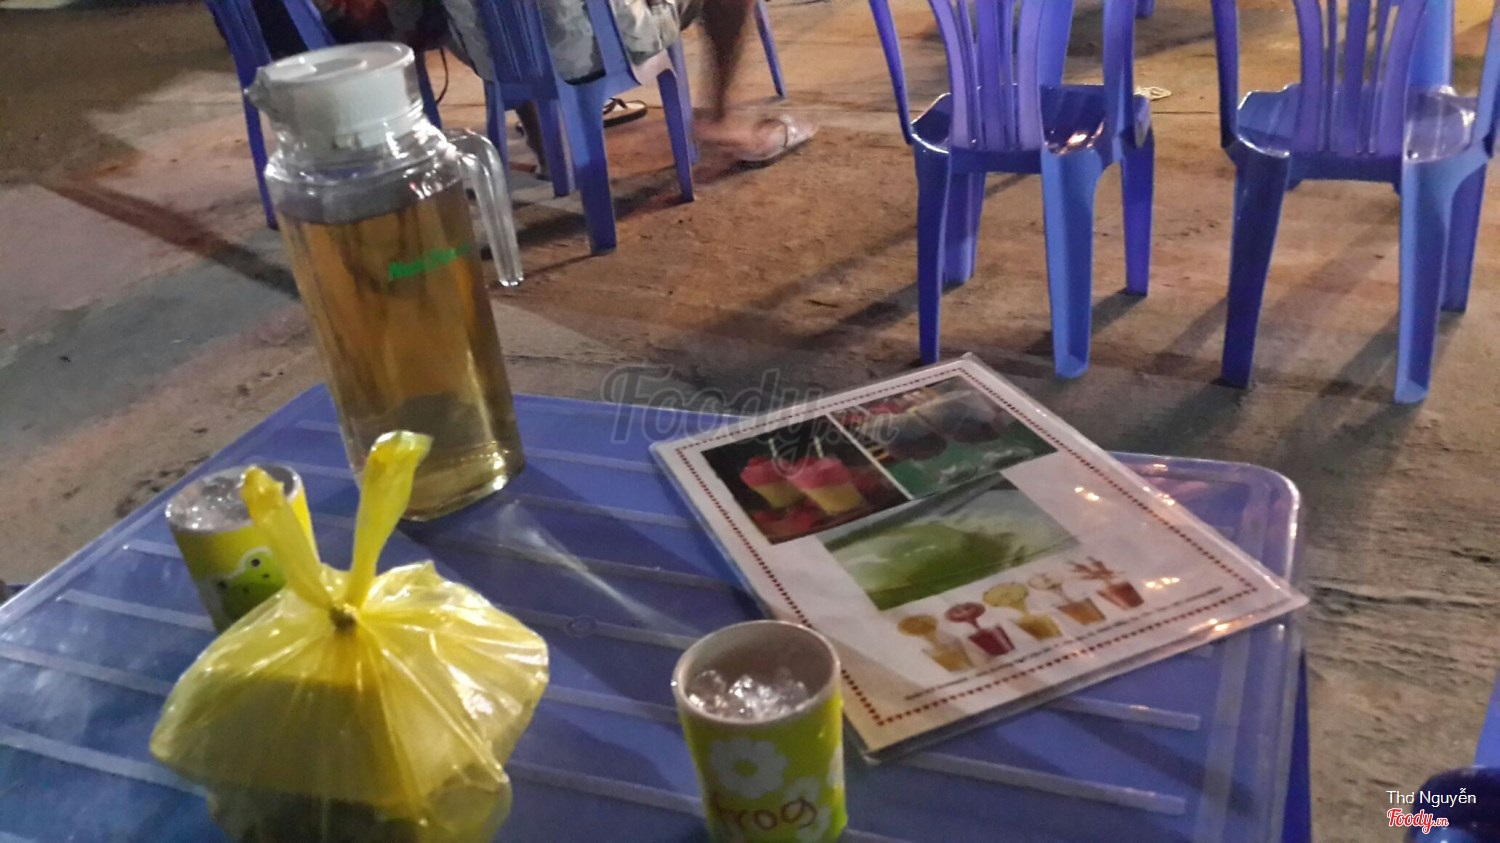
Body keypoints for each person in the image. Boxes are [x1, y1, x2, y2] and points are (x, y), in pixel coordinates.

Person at [441, 0, 815, 165]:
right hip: (594, 44)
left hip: (492, 53)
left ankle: (549, 149)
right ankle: (721, 121)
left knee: (511, 24)